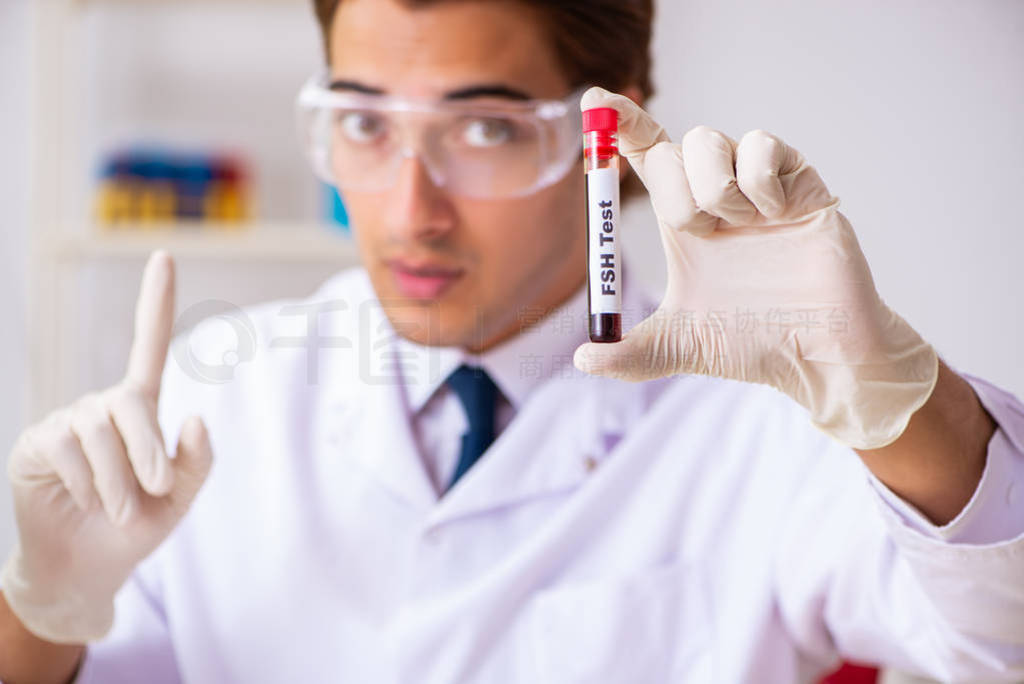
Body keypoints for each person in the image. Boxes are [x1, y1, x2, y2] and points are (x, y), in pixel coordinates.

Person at [2, 0, 1023, 682]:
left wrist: (900, 401)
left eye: (484, 128)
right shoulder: (222, 392)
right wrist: (39, 608)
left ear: (608, 125)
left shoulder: (766, 418)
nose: (411, 210)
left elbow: (993, 644)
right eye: (363, 123)